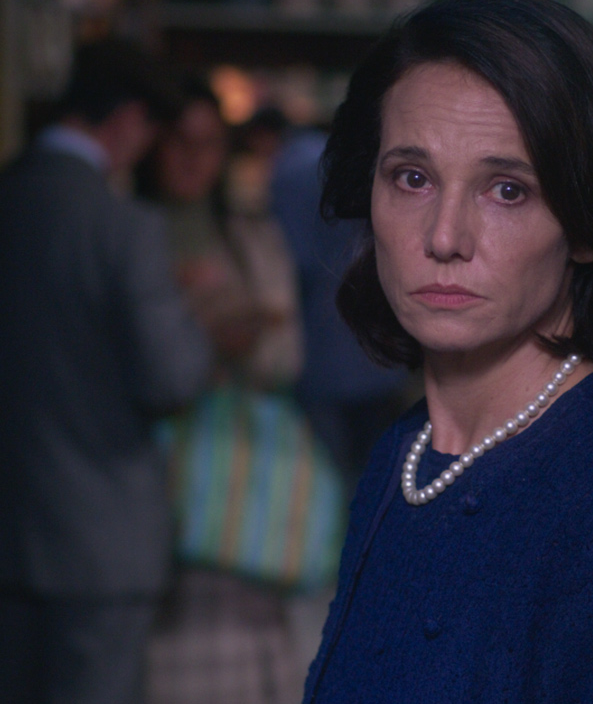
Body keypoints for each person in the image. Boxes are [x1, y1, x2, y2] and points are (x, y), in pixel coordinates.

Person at [302, 0, 593, 702]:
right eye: (412, 178)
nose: (444, 238)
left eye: (506, 190)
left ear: (584, 223)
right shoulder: (408, 454)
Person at [0, 39, 212, 703]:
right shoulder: (122, 229)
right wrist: (192, 313)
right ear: (128, 119)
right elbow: (171, 377)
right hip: (100, 540)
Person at [136, 78, 305, 704]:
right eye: (178, 141)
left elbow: (288, 355)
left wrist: (240, 333)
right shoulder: (124, 230)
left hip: (236, 475)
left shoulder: (249, 236)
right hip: (147, 481)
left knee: (239, 662)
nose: (191, 158)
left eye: (208, 144)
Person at [269, 127, 411, 489]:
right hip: (379, 355)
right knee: (378, 478)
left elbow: (294, 265)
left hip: (320, 358)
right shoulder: (363, 167)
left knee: (324, 481)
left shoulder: (290, 173)